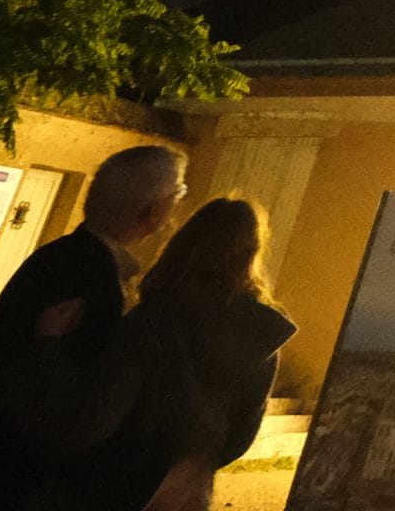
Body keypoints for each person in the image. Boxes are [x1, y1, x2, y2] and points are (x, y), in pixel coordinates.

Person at [25, 196, 296, 511]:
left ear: (183, 245)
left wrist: (48, 348)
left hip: (121, 486)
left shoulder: (154, 322)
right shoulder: (260, 336)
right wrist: (191, 468)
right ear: (251, 256)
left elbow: (93, 418)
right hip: (187, 493)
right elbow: (242, 434)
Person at [0, 145, 186, 503]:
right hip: (23, 474)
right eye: (179, 192)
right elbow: (77, 400)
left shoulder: (68, 257)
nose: (179, 204)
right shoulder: (90, 280)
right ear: (152, 212)